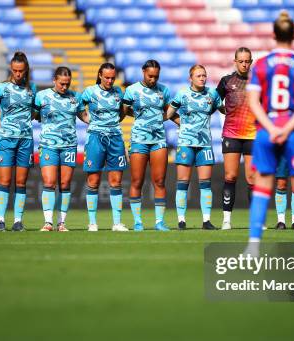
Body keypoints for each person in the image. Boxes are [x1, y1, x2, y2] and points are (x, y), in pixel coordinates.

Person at [247, 11, 294, 249]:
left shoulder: (262, 65)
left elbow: (254, 102)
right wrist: (286, 129)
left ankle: (253, 246)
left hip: (267, 131)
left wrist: (271, 128)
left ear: (273, 34)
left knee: (263, 186)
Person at [166, 64, 223, 230]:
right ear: (191, 78)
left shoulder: (212, 94)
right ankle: (181, 220)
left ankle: (206, 220)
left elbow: (222, 109)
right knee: (183, 183)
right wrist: (182, 123)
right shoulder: (183, 94)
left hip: (205, 144)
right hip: (185, 143)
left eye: (204, 75)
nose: (202, 78)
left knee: (205, 183)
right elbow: (169, 114)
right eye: (198, 76)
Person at [34, 66, 88, 232]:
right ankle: (48, 222)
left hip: (69, 146)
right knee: (49, 182)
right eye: (62, 84)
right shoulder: (41, 96)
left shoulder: (75, 98)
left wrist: (101, 121)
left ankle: (61, 223)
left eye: (67, 84)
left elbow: (84, 116)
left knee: (65, 183)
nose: (65, 87)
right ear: (54, 81)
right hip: (48, 145)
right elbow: (34, 115)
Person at [0, 52, 37, 232]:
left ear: (26, 70)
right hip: (6, 139)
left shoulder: (32, 87)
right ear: (11, 69)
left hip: (25, 140)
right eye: (15, 70)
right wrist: (7, 117)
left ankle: (18, 221)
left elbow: (33, 112)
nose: (18, 74)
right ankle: (0, 220)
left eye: (21, 71)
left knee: (21, 182)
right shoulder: (1, 88)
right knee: (4, 180)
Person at [122, 60, 171, 231]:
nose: (153, 79)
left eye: (156, 76)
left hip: (158, 139)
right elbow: (124, 110)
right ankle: (137, 221)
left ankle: (159, 222)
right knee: (137, 181)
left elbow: (168, 112)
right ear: (143, 72)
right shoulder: (132, 90)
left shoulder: (163, 90)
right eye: (150, 76)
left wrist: (183, 123)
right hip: (138, 139)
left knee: (159, 181)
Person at [81, 62, 128, 232]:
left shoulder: (118, 92)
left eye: (112, 78)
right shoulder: (90, 92)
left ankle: (117, 223)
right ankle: (92, 222)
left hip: (115, 137)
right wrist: (88, 120)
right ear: (100, 75)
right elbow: (79, 107)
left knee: (116, 181)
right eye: (107, 77)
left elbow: (122, 112)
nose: (110, 81)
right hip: (95, 138)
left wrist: (113, 123)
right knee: (93, 180)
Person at [216, 47, 256, 230]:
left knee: (252, 178)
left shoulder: (258, 81)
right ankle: (226, 220)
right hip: (232, 134)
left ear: (251, 62)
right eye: (241, 61)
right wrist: (226, 111)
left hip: (253, 135)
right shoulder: (226, 81)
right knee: (230, 176)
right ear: (235, 61)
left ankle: (256, 220)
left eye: (247, 61)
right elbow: (216, 101)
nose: (244, 64)